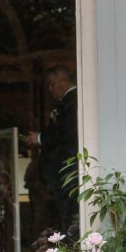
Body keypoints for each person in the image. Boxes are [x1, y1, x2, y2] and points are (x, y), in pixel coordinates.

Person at [24, 65, 79, 235]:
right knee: (64, 216)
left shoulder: (73, 100)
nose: (50, 89)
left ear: (63, 81)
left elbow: (66, 132)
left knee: (69, 215)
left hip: (67, 170)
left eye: (51, 84)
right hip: (60, 174)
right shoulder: (67, 102)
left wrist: (40, 138)